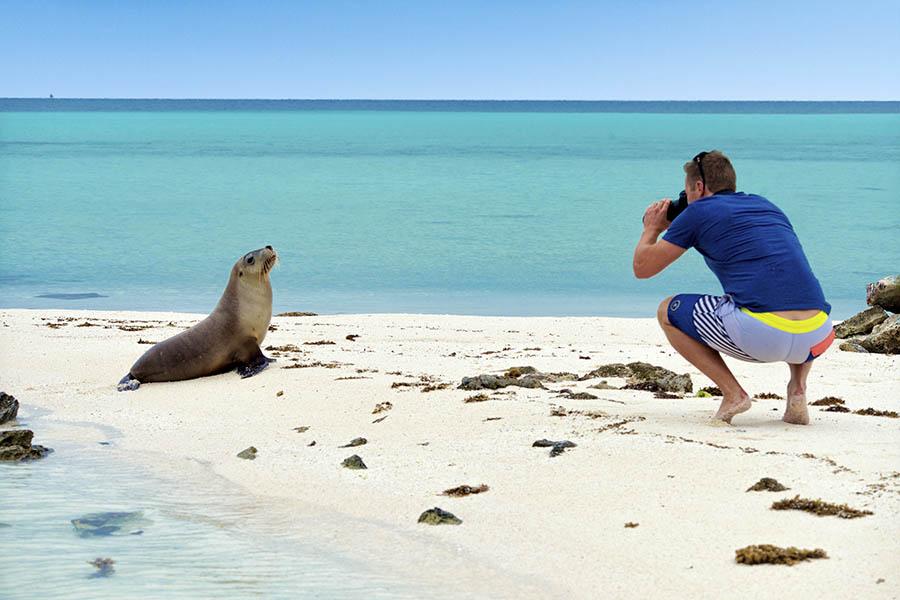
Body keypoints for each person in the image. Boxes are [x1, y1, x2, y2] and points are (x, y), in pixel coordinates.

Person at [632, 150, 833, 425]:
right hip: (817, 334)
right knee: (788, 289)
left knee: (667, 311)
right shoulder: (767, 206)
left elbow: (643, 268)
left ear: (699, 187)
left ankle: (733, 394)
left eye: (687, 192)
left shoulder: (698, 211)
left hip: (763, 336)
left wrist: (652, 229)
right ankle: (797, 390)